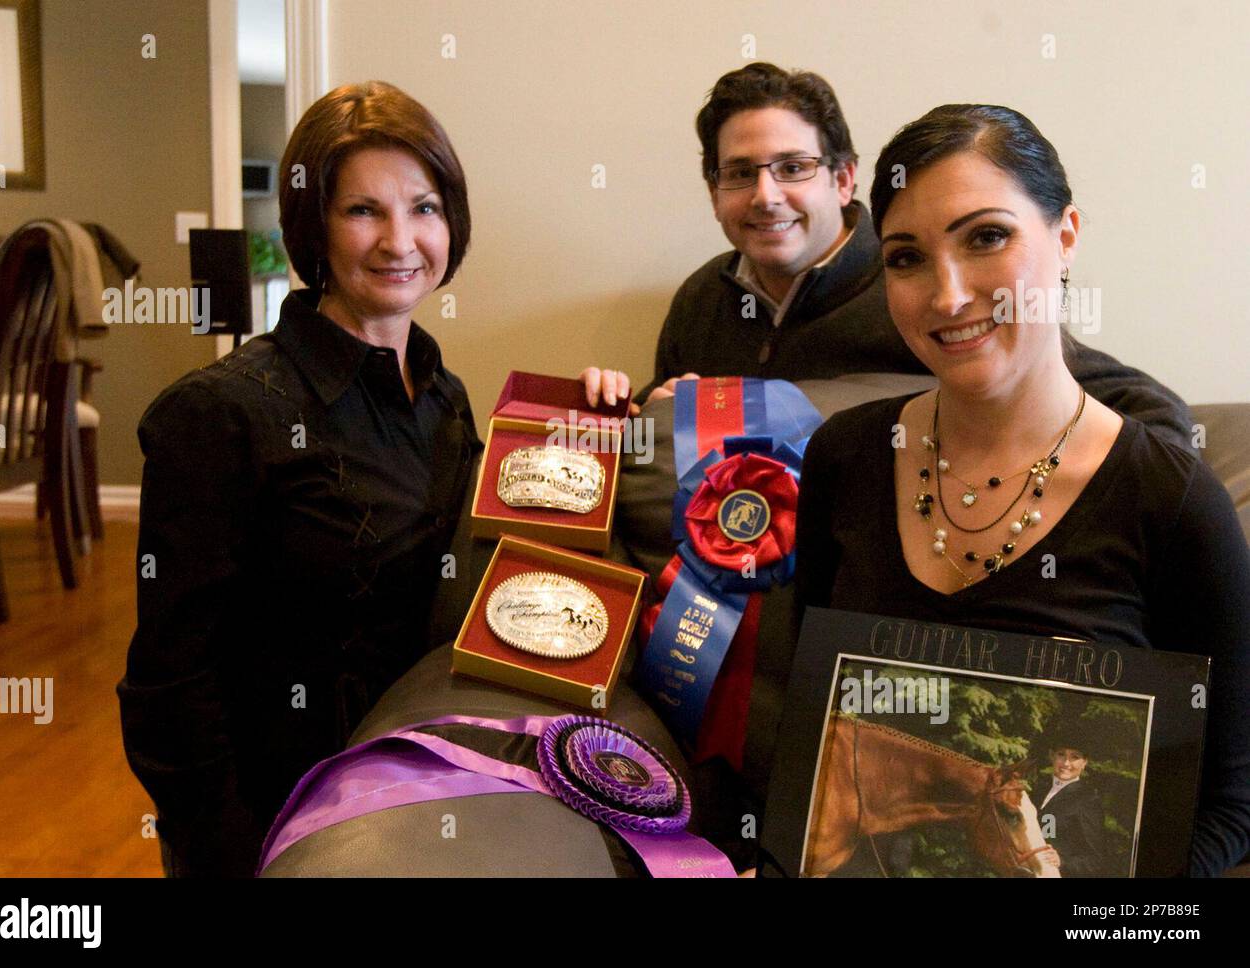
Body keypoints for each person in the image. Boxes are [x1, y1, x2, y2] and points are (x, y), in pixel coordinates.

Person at [793, 104, 1250, 876]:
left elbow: (1236, 802)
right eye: (906, 258)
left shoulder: (1172, 501)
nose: (946, 296)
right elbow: (801, 723)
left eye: (985, 238)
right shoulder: (844, 457)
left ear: (1065, 236)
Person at [117, 81, 481, 877]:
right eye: (363, 211)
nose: (399, 241)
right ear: (313, 226)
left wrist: (599, 415)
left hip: (420, 805)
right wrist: (231, 854)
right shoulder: (221, 414)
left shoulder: (445, 396)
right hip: (279, 827)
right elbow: (167, 688)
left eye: (423, 208)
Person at [582, 64, 1193, 451]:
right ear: (714, 190)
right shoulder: (700, 298)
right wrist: (628, 409)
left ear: (844, 179)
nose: (766, 196)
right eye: (740, 173)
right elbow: (654, 446)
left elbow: (1144, 410)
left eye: (793, 168)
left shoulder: (922, 286)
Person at [1031, 742, 1108, 876]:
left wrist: (1062, 861)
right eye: (1061, 755)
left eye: (1075, 757)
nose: (1066, 763)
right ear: (1052, 756)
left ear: (1084, 762)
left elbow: (1096, 860)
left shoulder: (1087, 800)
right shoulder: (1038, 790)